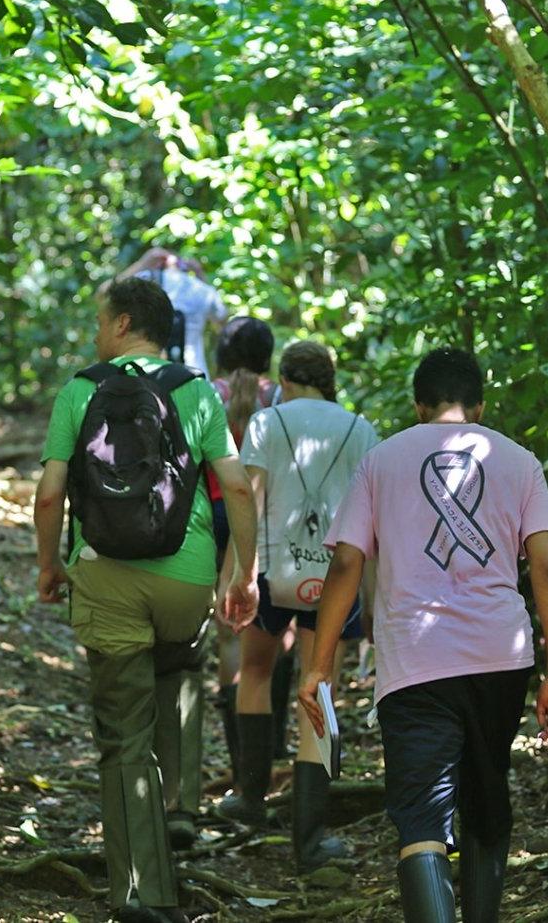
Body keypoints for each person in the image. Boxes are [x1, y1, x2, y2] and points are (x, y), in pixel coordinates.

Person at [299, 347, 548, 923]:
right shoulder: (519, 461)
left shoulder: (381, 461)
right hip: (502, 654)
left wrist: (319, 665)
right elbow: (547, 567)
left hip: (414, 659)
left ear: (419, 405)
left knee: (422, 816)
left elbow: (346, 564)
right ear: (479, 405)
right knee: (484, 791)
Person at [34, 277, 258, 923]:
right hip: (185, 579)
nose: (96, 332)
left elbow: (50, 494)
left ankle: (140, 890)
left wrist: (51, 565)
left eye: (101, 320)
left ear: (124, 322)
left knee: (124, 735)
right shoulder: (197, 392)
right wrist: (240, 572)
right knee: (178, 667)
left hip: (104, 573)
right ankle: (179, 807)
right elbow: (237, 488)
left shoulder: (82, 388)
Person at [217, 340, 379, 873]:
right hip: (333, 576)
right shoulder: (360, 429)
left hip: (270, 570)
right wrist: (373, 601)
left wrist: (236, 575)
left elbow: (251, 495)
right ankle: (311, 838)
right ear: (328, 379)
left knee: (257, 670)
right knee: (320, 686)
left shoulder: (267, 422)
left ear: (284, 379)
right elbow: (369, 519)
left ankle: (249, 798)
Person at [207, 316, 295, 779]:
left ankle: (241, 756)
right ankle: (272, 739)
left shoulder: (208, 393)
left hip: (218, 515)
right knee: (277, 624)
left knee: (228, 630)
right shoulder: (280, 397)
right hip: (270, 517)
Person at [116, 246, 227, 376]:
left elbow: (105, 294)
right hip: (195, 373)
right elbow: (222, 322)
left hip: (151, 374)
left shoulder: (146, 282)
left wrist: (142, 264)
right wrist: (200, 275)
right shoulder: (201, 290)